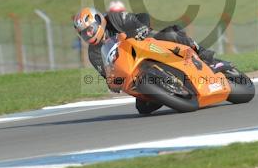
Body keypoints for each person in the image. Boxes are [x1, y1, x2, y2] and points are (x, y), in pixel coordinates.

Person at [73, 7, 223, 114]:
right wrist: (113, 83)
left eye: (90, 29)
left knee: (171, 34)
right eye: (84, 34)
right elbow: (107, 74)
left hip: (147, 43)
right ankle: (168, 90)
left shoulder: (114, 18)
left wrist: (141, 28)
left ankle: (204, 55)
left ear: (98, 21)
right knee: (142, 108)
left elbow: (141, 17)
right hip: (133, 70)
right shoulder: (94, 54)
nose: (89, 34)